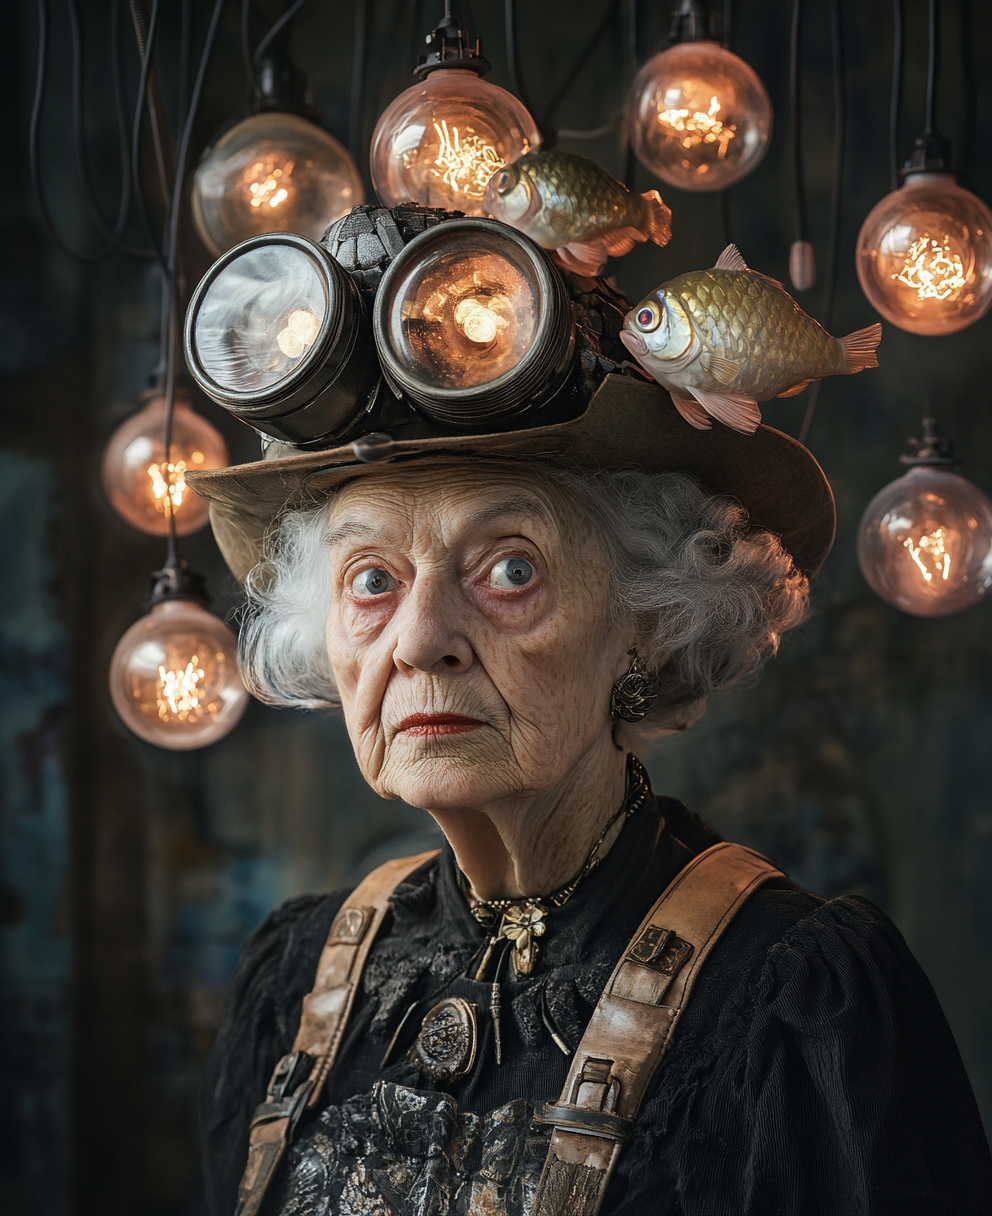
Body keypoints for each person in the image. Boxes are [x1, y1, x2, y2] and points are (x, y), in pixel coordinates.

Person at [189, 213, 992, 1216]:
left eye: (510, 568)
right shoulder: (298, 978)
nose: (420, 637)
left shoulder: (793, 1000)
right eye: (371, 579)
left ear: (646, 623)